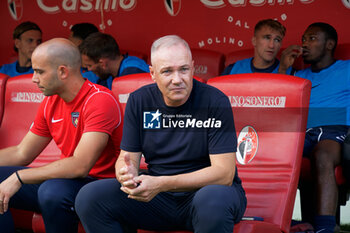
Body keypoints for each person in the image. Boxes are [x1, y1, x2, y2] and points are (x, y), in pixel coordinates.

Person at [75, 35, 247, 233]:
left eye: (183, 69)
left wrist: (161, 183)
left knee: (212, 200)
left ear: (192, 67)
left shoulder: (215, 101)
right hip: (158, 197)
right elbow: (126, 157)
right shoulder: (139, 101)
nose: (177, 80)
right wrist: (125, 173)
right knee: (90, 197)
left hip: (205, 194)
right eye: (167, 71)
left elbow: (224, 174)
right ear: (153, 74)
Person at [0, 38, 122, 233]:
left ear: (63, 71)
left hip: (98, 186)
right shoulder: (51, 101)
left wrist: (19, 177)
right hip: (66, 180)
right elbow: (22, 153)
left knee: (53, 192)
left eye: (40, 71)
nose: (33, 78)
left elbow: (80, 166)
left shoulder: (99, 100)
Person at [279, 22, 350, 233]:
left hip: (335, 131)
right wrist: (284, 67)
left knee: (323, 156)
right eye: (303, 39)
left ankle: (325, 228)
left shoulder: (346, 68)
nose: (304, 44)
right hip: (301, 134)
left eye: (312, 39)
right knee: (277, 156)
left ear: (329, 44)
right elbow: (277, 103)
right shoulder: (298, 76)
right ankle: (276, 221)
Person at [222, 18, 294, 75]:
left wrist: (282, 72)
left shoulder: (289, 72)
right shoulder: (232, 70)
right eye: (267, 38)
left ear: (280, 45)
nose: (271, 46)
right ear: (254, 41)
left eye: (277, 40)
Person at [79, 32, 149, 89]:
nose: (89, 69)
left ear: (102, 63)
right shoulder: (108, 74)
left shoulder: (132, 72)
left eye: (89, 65)